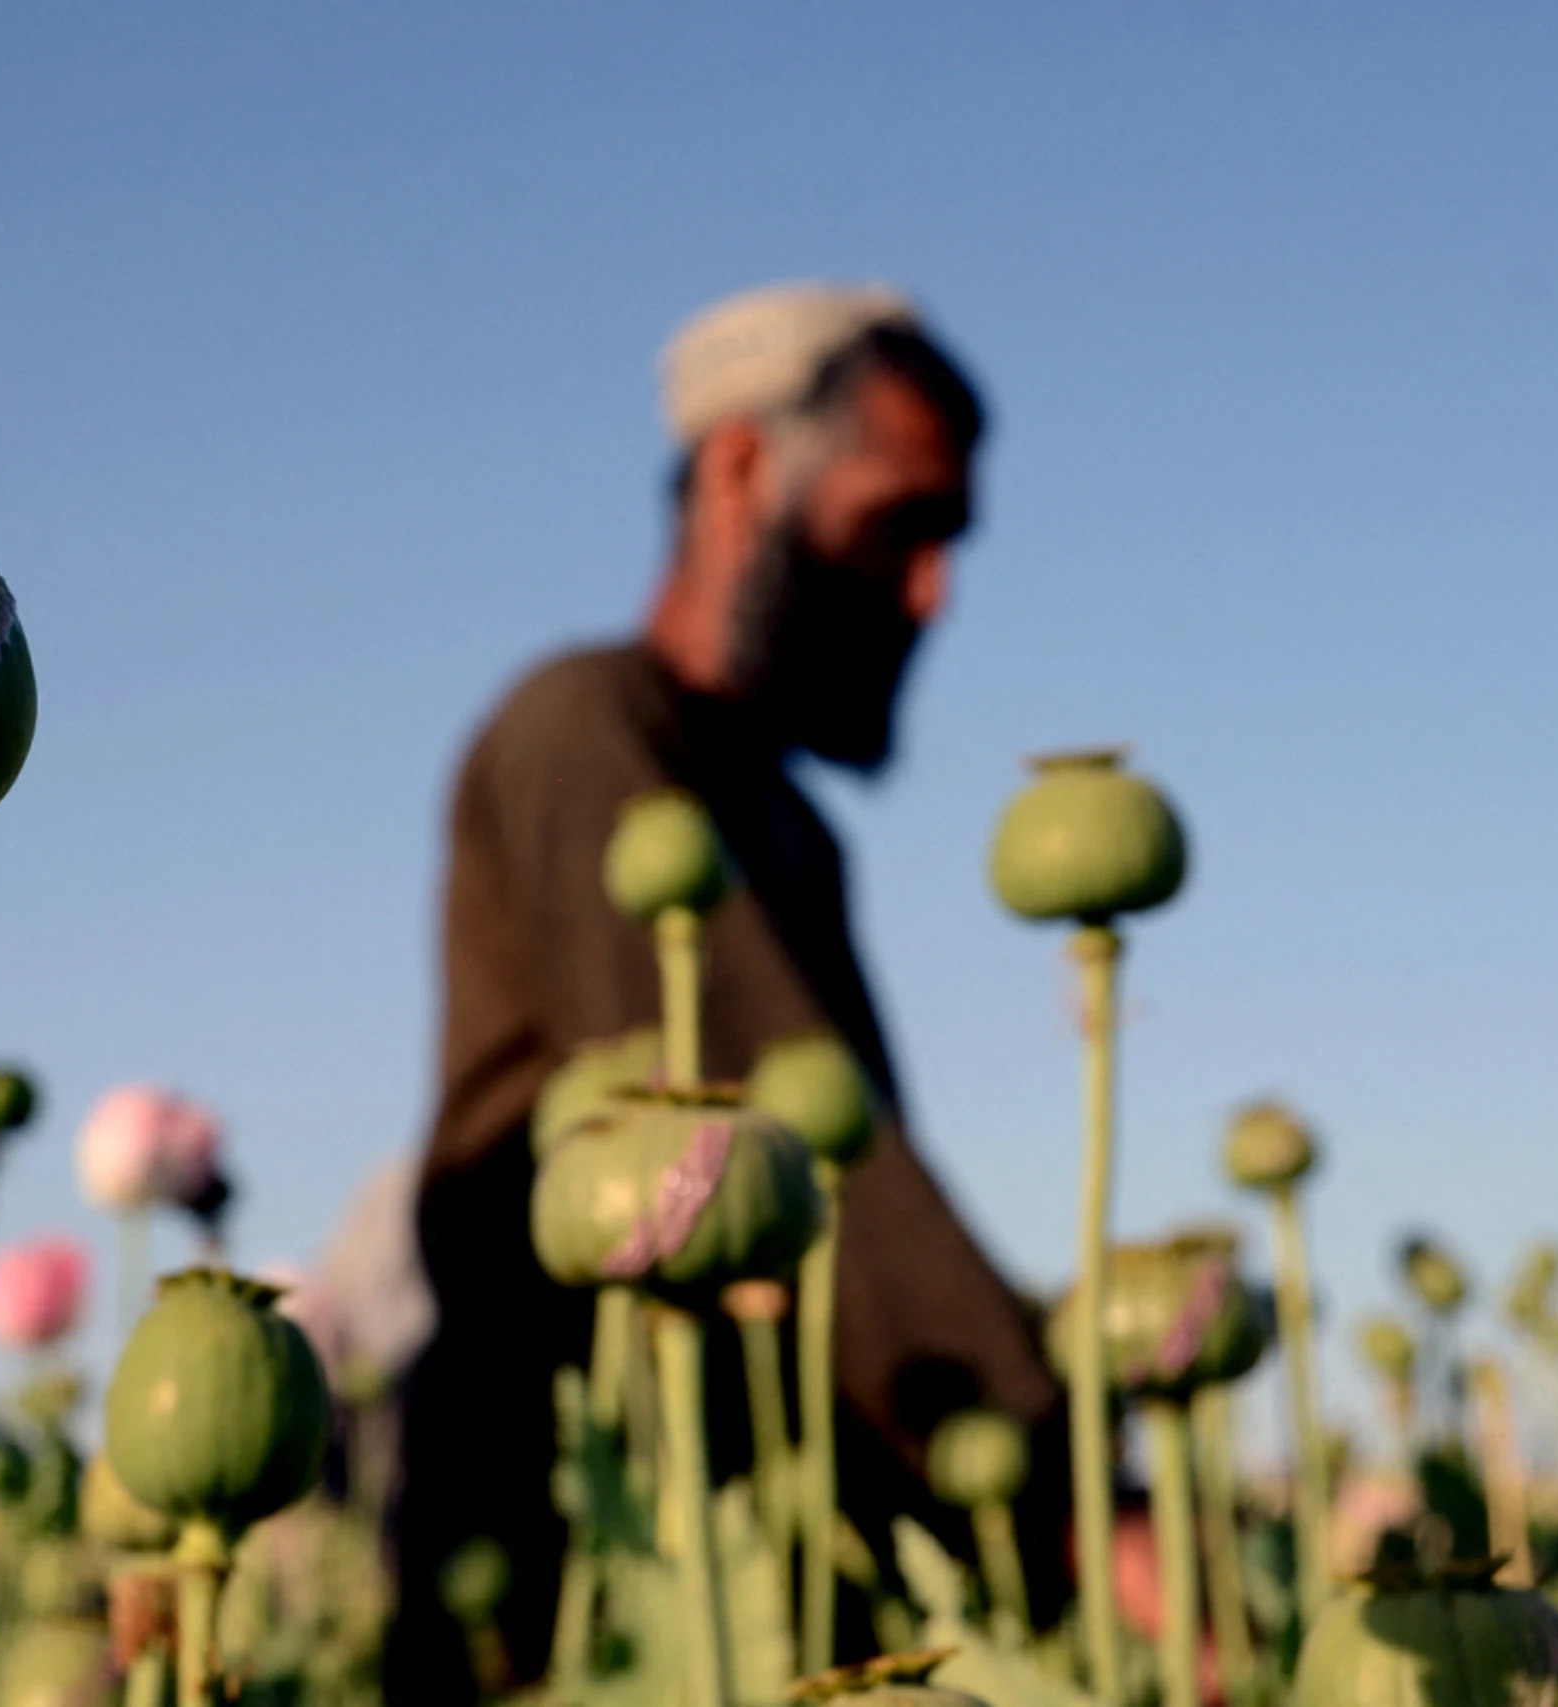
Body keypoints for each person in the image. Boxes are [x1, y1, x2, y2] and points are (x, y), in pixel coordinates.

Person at [385, 282, 1072, 1700]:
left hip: (765, 1544)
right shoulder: (584, 728)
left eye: (951, 544)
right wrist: (1072, 1486)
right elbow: (792, 1148)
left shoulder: (790, 823)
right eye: (901, 524)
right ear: (742, 467)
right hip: (575, 1561)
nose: (932, 592)